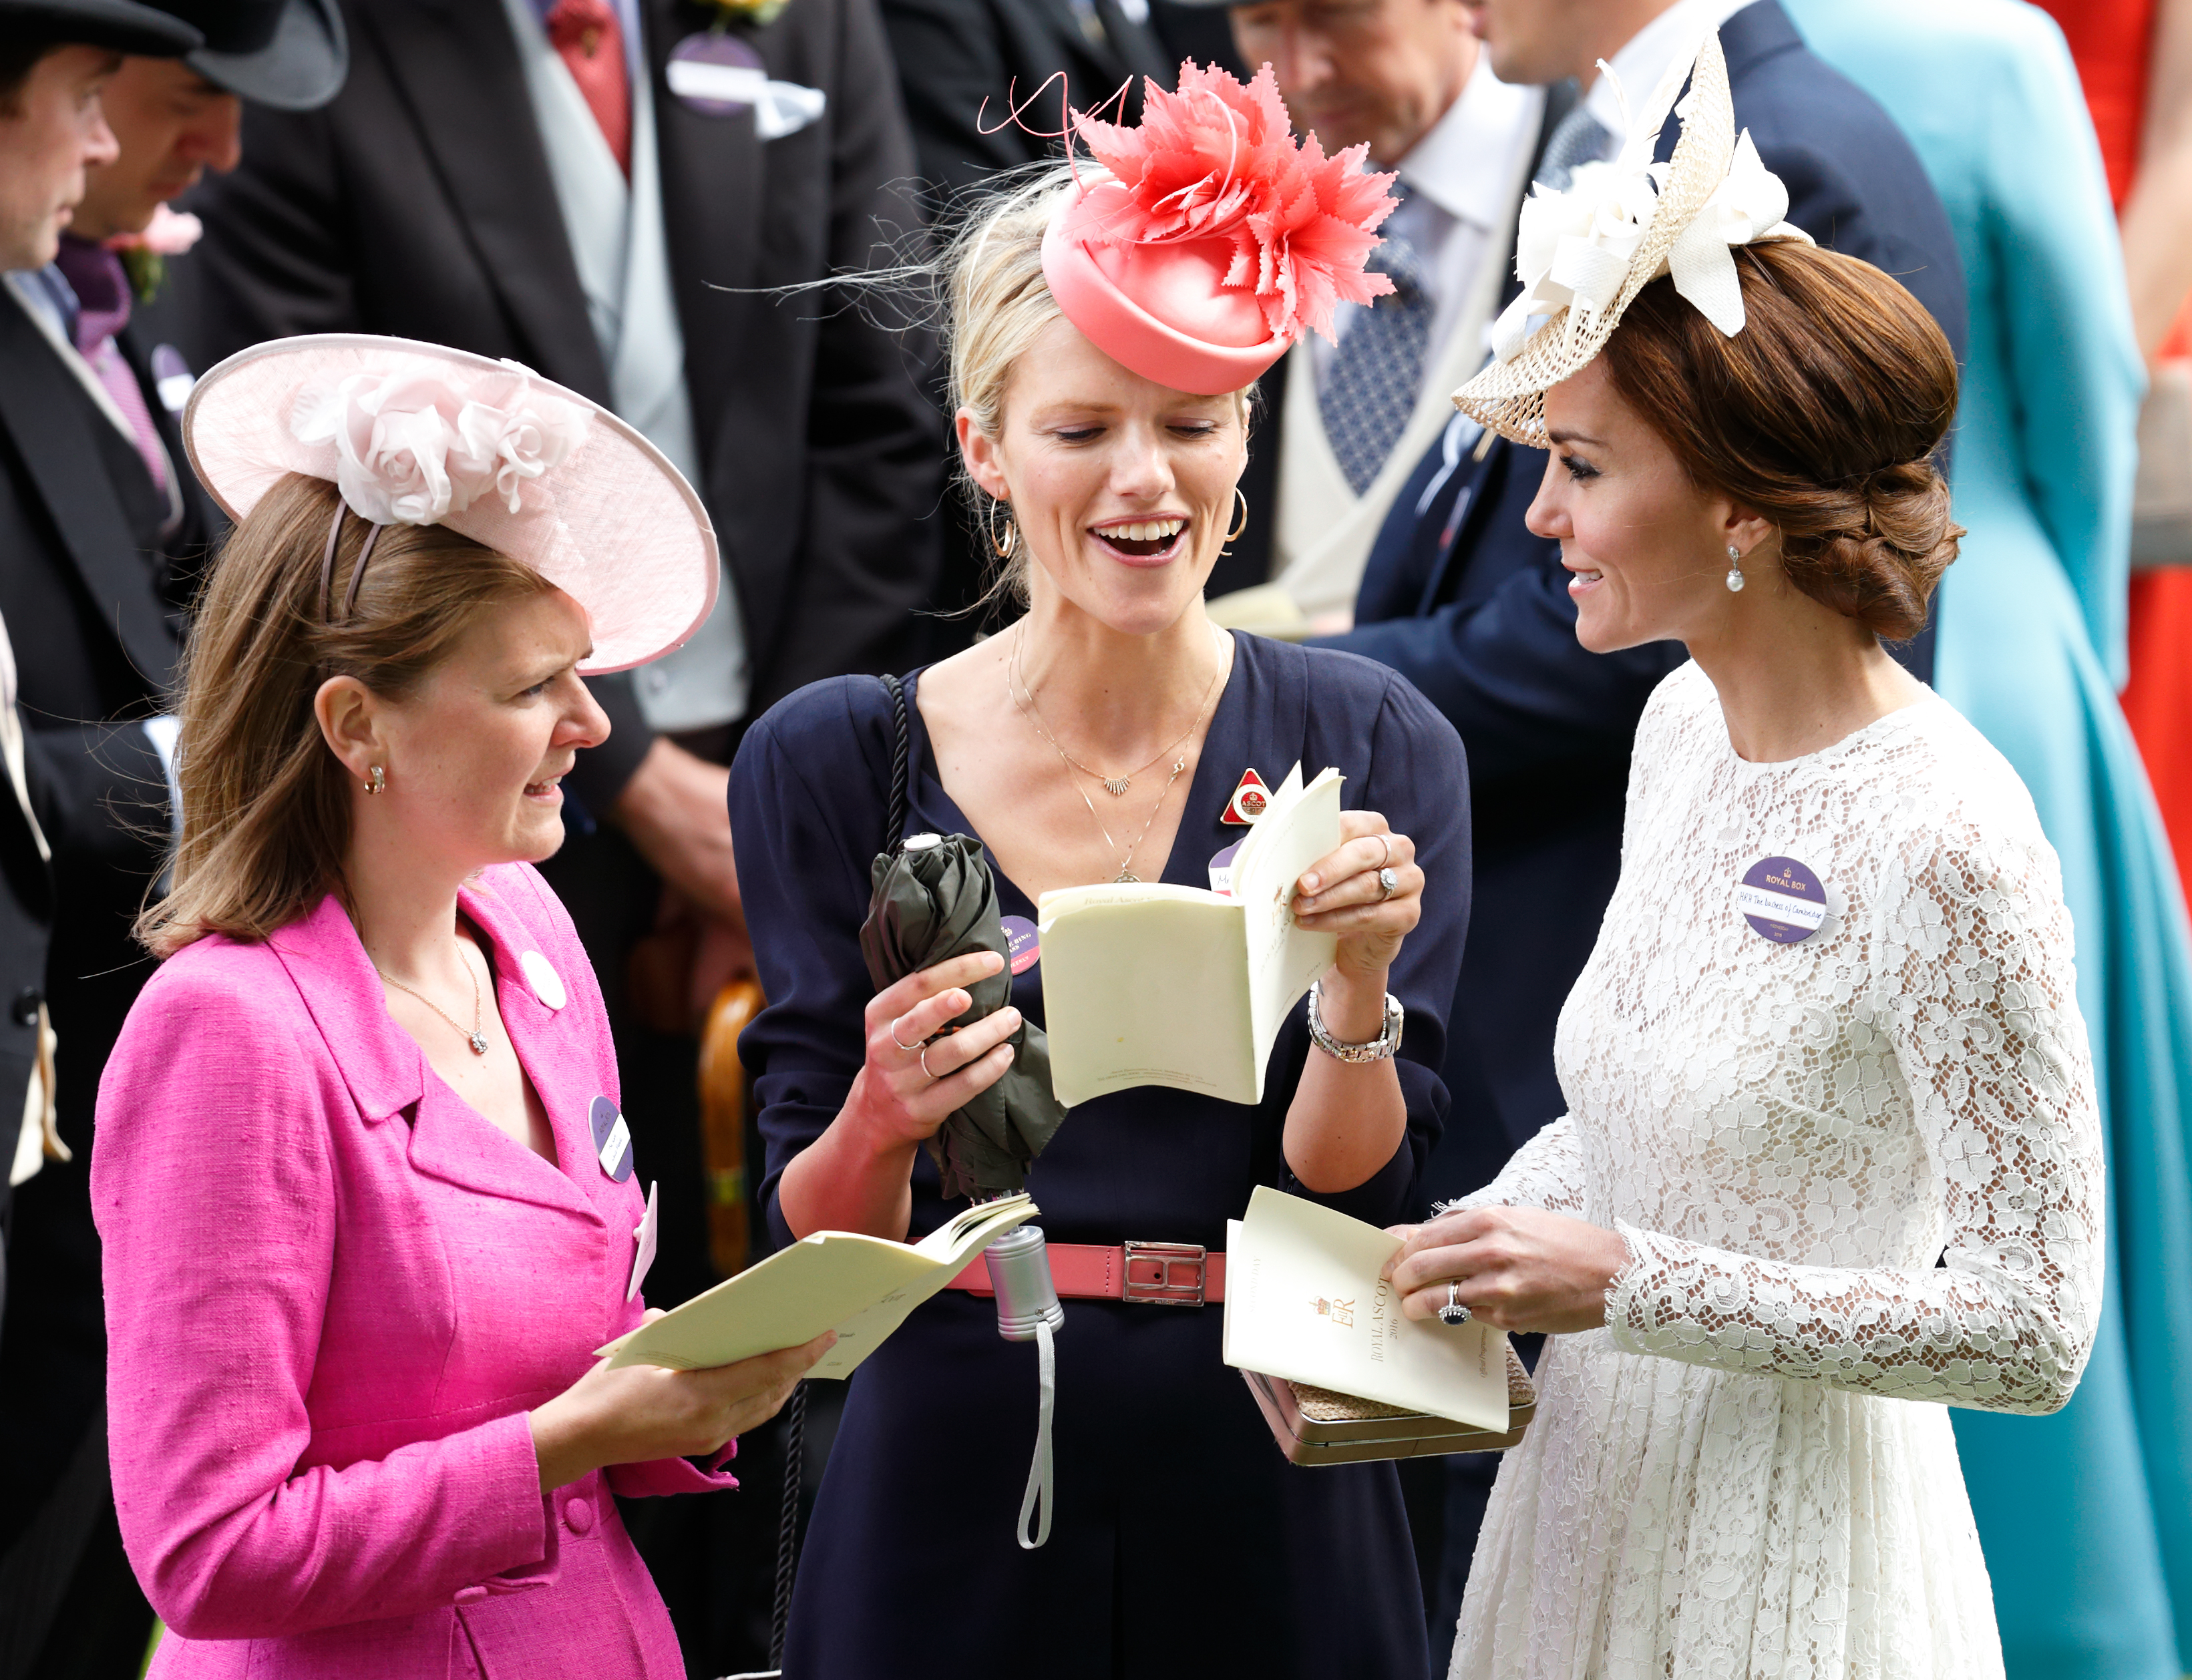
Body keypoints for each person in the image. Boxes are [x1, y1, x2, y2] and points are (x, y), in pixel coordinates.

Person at [1376, 34, 2104, 1677]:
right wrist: (1454, 1261)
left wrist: (1628, 1281)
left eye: (1578, 468)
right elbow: (1633, 1128)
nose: (1541, 518)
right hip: (1581, 1505)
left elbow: (2033, 1328)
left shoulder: (1953, 830)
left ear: (1739, 514)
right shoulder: (1679, 731)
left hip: (1800, 1564)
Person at [730, 63, 1469, 1679]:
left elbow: (1374, 1190)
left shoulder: (1376, 737)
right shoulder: (831, 754)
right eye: (1084, 429)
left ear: (1243, 435)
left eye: (1188, 425)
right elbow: (806, 1240)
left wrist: (1355, 990)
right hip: (954, 1447)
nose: (1145, 478)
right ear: (987, 449)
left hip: (1272, 1452)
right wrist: (882, 1109)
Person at [177, 0, 949, 1396]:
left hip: (769, 757)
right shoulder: (329, 51)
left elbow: (879, 415)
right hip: (462, 781)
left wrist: (774, 792)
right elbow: (310, 525)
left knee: (784, 1338)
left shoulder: (811, 28)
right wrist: (637, 775)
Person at [92, 335, 832, 1679]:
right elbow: (205, 1550)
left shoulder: (532, 930)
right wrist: (570, 1439)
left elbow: (560, 1337)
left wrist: (692, 1384)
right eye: (530, 685)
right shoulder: (228, 1032)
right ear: (355, 725)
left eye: (580, 669)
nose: (591, 725)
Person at [1770, 10, 2192, 1676]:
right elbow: (2081, 379)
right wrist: (2075, 620)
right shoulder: (1991, 49)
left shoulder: (1725, 47)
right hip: (1997, 609)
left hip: (1780, 652)